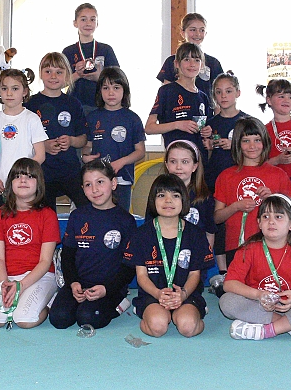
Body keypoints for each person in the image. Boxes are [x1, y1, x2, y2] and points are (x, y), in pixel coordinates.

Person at [219, 194, 291, 342]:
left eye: (278, 217)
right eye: (265, 217)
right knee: (227, 301)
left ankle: (268, 330)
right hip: (260, 305)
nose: (271, 221)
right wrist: (258, 295)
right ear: (259, 223)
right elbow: (229, 284)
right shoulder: (248, 249)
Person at [48, 159, 137, 329]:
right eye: (88, 185)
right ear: (83, 189)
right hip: (80, 284)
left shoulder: (126, 221)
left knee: (88, 318)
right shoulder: (77, 216)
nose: (94, 189)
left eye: (100, 182)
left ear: (113, 183)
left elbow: (129, 265)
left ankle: (119, 304)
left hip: (109, 287)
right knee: (59, 318)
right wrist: (73, 283)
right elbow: (67, 255)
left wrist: (107, 289)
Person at [123, 174, 213, 338]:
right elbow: (141, 276)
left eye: (175, 196)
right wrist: (158, 294)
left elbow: (195, 274)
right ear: (153, 200)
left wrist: (183, 294)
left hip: (186, 293)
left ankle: (196, 311)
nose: (168, 201)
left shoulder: (196, 234)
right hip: (153, 294)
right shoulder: (141, 234)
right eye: (161, 195)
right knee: (158, 327)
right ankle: (146, 312)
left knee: (187, 328)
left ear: (184, 200)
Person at [0, 159, 60, 329]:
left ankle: (49, 302)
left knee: (25, 320)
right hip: (8, 276)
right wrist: (5, 283)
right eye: (17, 176)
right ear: (10, 183)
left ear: (38, 183)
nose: (23, 180)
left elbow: (45, 261)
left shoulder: (47, 215)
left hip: (39, 276)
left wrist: (22, 286)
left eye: (29, 176)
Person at [213, 117, 291, 266]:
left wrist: (272, 199)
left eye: (257, 140)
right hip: (237, 247)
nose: (252, 146)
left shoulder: (279, 175)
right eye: (246, 141)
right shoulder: (226, 176)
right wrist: (236, 207)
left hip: (273, 246)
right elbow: (217, 218)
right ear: (237, 143)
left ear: (265, 142)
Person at [26, 52, 88, 212]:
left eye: (59, 72)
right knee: (47, 217)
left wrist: (71, 141)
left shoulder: (73, 104)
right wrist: (43, 146)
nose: (53, 76)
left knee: (87, 208)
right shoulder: (31, 104)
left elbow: (83, 139)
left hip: (70, 171)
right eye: (48, 71)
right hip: (43, 173)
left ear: (67, 75)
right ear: (40, 74)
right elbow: (23, 140)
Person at [201, 72, 249, 275]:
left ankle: (245, 267)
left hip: (241, 182)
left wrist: (235, 145)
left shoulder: (248, 122)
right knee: (218, 225)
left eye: (228, 91)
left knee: (240, 224)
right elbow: (205, 157)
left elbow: (258, 152)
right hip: (215, 181)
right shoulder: (210, 124)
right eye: (219, 92)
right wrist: (208, 146)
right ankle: (222, 272)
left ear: (238, 93)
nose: (224, 96)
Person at [83, 66, 146, 212]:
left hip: (122, 180)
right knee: (97, 218)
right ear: (100, 91)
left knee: (120, 218)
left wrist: (121, 162)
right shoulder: (92, 117)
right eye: (106, 88)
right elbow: (88, 145)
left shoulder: (132, 119)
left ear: (125, 90)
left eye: (116, 88)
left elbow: (140, 152)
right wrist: (85, 156)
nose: (111, 93)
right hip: (97, 180)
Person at [0, 68, 47, 212]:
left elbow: (40, 155)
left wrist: (22, 177)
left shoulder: (32, 119)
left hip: (25, 187)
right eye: (4, 88)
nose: (9, 93)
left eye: (15, 88)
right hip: (0, 186)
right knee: (2, 222)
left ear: (25, 91)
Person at [145, 42, 211, 165]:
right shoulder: (166, 91)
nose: (192, 64)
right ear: (176, 64)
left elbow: (207, 129)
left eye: (196, 60)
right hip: (176, 160)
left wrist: (207, 131)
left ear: (202, 65)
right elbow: (149, 128)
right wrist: (177, 125)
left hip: (199, 161)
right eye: (186, 59)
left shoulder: (203, 97)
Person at [62, 3, 120, 115]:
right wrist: (78, 74)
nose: (88, 23)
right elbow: (60, 83)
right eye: (83, 19)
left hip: (102, 105)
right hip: (75, 106)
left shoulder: (106, 49)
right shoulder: (68, 51)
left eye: (92, 19)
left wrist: (99, 77)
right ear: (75, 23)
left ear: (97, 23)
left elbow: (118, 80)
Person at [156, 13, 223, 109]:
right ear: (182, 32)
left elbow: (218, 95)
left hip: (205, 114)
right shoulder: (171, 61)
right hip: (178, 112)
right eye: (193, 30)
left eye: (202, 30)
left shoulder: (213, 63)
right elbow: (166, 95)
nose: (197, 34)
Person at [163, 140, 216, 249]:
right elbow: (149, 230)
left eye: (185, 162)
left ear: (195, 166)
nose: (178, 167)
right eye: (173, 161)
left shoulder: (203, 197)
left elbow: (210, 233)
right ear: (166, 165)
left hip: (195, 254)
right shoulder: (159, 195)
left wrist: (206, 256)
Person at [256, 79, 291, 178]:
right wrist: (277, 160)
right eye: (281, 96)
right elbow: (258, 163)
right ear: (269, 100)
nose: (286, 100)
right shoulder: (264, 131)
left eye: (290, 97)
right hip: (276, 180)